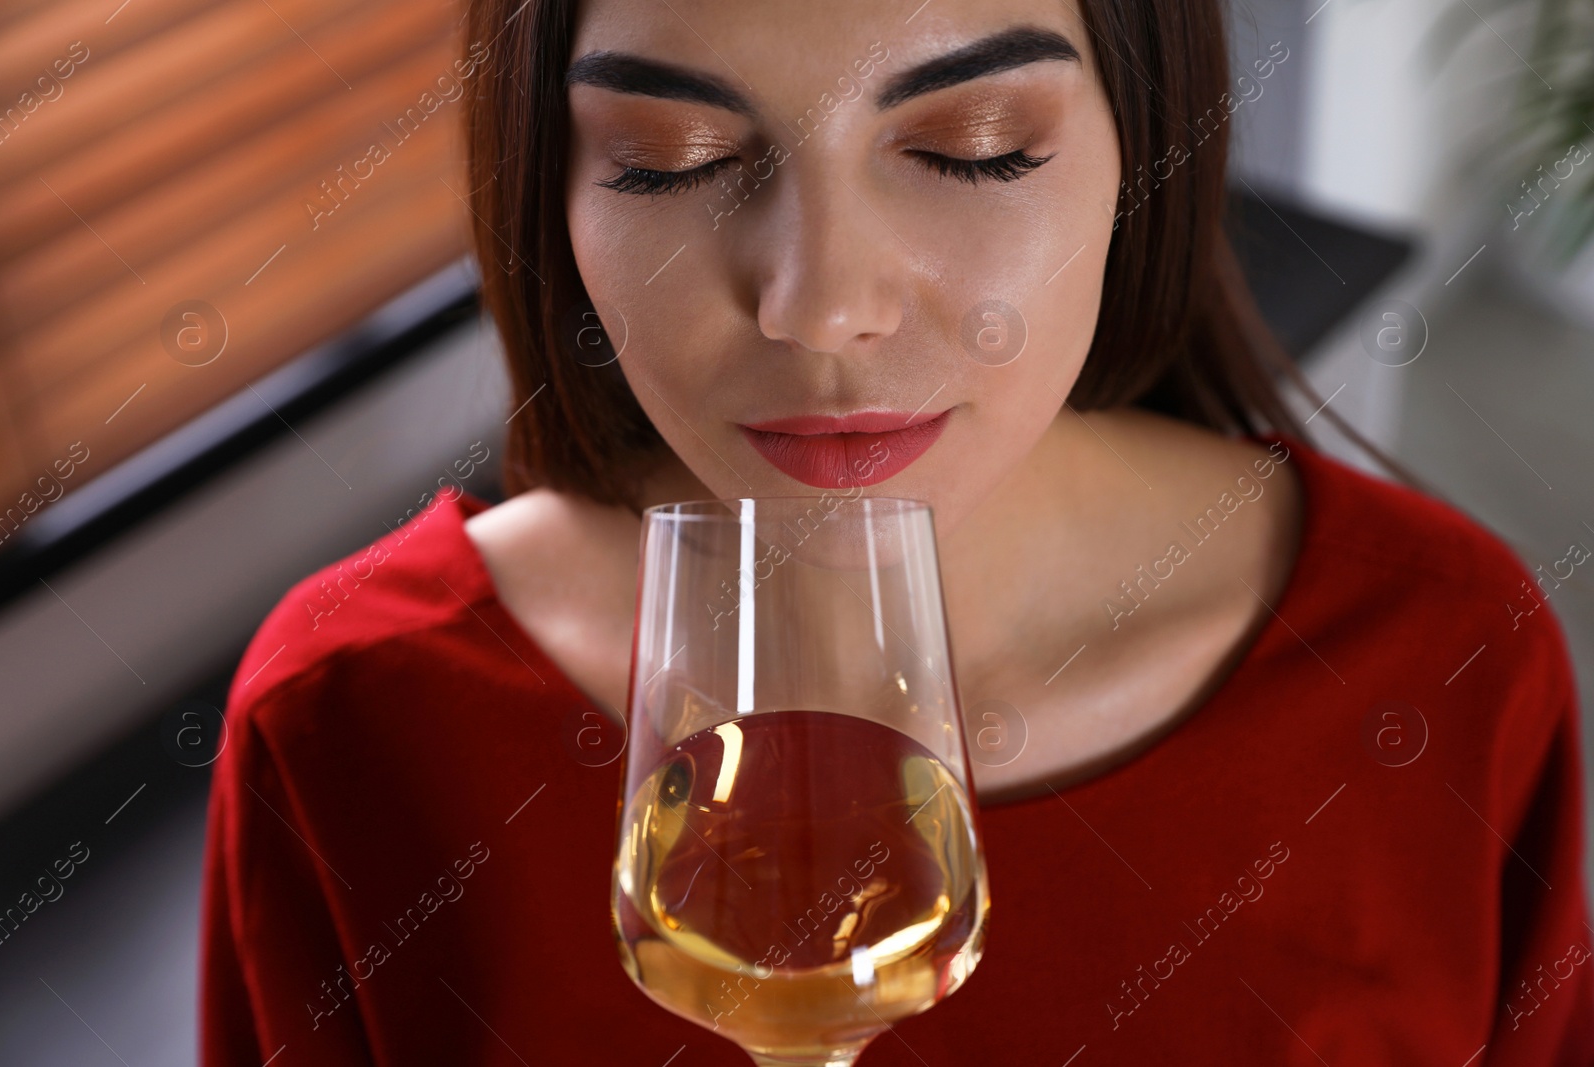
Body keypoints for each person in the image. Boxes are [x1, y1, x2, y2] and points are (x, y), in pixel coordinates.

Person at [198, 0, 1594, 1061]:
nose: (820, 305)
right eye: (670, 160)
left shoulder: (1440, 652)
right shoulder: (351, 710)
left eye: (970, 150)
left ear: (1143, 152)